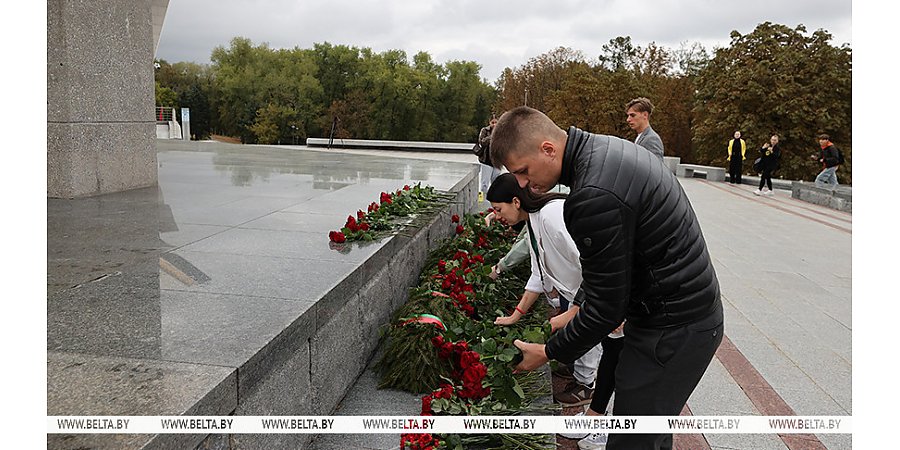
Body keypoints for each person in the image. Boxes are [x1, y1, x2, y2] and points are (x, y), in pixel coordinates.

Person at [490, 106, 724, 450]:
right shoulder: (604, 150)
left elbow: (607, 306)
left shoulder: (592, 195)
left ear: (548, 149)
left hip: (675, 328)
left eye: (523, 172)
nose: (522, 185)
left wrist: (549, 351)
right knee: (648, 433)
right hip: (681, 315)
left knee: (631, 442)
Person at [487, 174, 602, 407]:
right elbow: (538, 274)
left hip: (593, 290)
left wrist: (580, 305)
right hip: (577, 291)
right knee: (579, 330)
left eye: (499, 209)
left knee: (594, 335)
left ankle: (586, 386)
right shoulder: (533, 222)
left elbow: (592, 262)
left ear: (515, 202)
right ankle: (578, 371)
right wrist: (515, 315)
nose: (497, 216)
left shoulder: (551, 215)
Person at [476, 116, 502, 197]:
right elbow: (482, 142)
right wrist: (492, 136)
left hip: (497, 161)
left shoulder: (501, 131)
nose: (494, 124)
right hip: (486, 160)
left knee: (496, 182)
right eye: (492, 122)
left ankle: (494, 199)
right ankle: (482, 199)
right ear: (489, 122)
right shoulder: (485, 130)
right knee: (484, 183)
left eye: (496, 122)